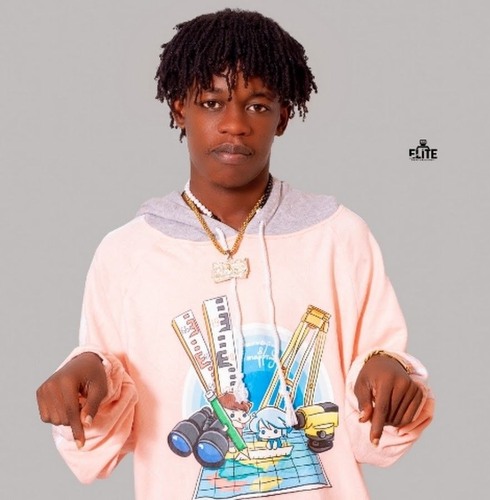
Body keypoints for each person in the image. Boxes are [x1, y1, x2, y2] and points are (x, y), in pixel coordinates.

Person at [36, 8, 434, 499]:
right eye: (211, 102)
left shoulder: (338, 237)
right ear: (179, 109)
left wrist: (391, 377)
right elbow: (96, 449)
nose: (234, 124)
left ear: (283, 117)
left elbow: (376, 439)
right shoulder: (127, 254)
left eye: (258, 106)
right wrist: (84, 383)